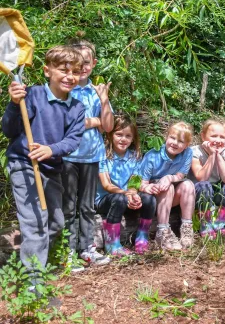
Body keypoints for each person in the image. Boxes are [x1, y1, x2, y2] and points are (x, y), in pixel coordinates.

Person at [2, 46, 85, 281]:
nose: (70, 76)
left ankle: (38, 263)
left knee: (56, 222)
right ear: (47, 70)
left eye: (76, 72)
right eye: (64, 69)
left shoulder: (77, 108)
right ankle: (33, 282)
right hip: (24, 165)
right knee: (35, 222)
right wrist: (13, 103)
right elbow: (9, 130)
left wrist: (50, 150)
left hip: (51, 169)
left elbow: (72, 141)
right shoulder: (33, 95)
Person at [62, 37, 113, 270]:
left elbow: (109, 126)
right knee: (68, 206)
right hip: (68, 156)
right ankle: (68, 252)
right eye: (78, 60)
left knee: (87, 206)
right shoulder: (65, 88)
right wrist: (95, 121)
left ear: (94, 63)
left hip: (92, 156)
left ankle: (86, 248)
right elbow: (67, 123)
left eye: (87, 61)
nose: (82, 66)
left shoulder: (96, 90)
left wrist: (104, 100)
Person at [95, 115, 156, 255]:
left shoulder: (134, 156)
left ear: (133, 138)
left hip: (126, 198)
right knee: (119, 198)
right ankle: (112, 243)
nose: (123, 139)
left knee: (149, 198)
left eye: (128, 136)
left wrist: (134, 195)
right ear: (110, 135)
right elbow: (106, 185)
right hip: (106, 201)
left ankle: (142, 236)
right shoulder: (103, 155)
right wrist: (126, 194)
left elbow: (134, 182)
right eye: (119, 134)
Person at [137, 122, 195, 251]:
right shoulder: (153, 155)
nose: (175, 143)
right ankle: (162, 231)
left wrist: (169, 177)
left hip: (172, 196)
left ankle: (186, 228)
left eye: (180, 141)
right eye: (172, 138)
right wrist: (149, 187)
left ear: (186, 145)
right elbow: (140, 183)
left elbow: (181, 175)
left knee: (188, 185)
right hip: (154, 197)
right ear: (166, 137)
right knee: (167, 187)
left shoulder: (187, 153)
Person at [189, 119, 225, 237]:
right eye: (213, 136)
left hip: (216, 191)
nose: (218, 140)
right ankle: (206, 225)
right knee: (204, 185)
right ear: (203, 136)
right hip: (199, 193)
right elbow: (201, 178)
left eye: (222, 137)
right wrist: (211, 155)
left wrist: (218, 155)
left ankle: (219, 224)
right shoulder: (195, 151)